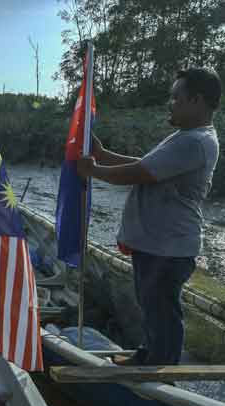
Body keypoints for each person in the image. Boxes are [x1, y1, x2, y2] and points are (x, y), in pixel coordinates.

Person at [77, 67, 221, 366]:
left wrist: (94, 171)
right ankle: (152, 355)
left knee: (161, 308)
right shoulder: (186, 137)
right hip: (159, 243)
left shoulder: (194, 141)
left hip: (169, 246)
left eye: (175, 97)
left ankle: (161, 369)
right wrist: (104, 157)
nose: (170, 103)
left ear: (196, 100)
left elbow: (140, 173)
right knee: (153, 305)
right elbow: (146, 165)